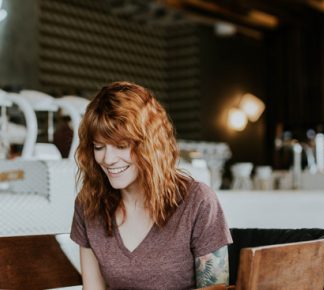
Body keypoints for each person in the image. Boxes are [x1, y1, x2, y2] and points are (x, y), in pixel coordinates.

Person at [70, 81, 232, 290]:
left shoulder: (198, 201)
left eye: (121, 146)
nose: (108, 159)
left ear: (149, 144)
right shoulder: (88, 205)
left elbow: (216, 289)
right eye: (99, 147)